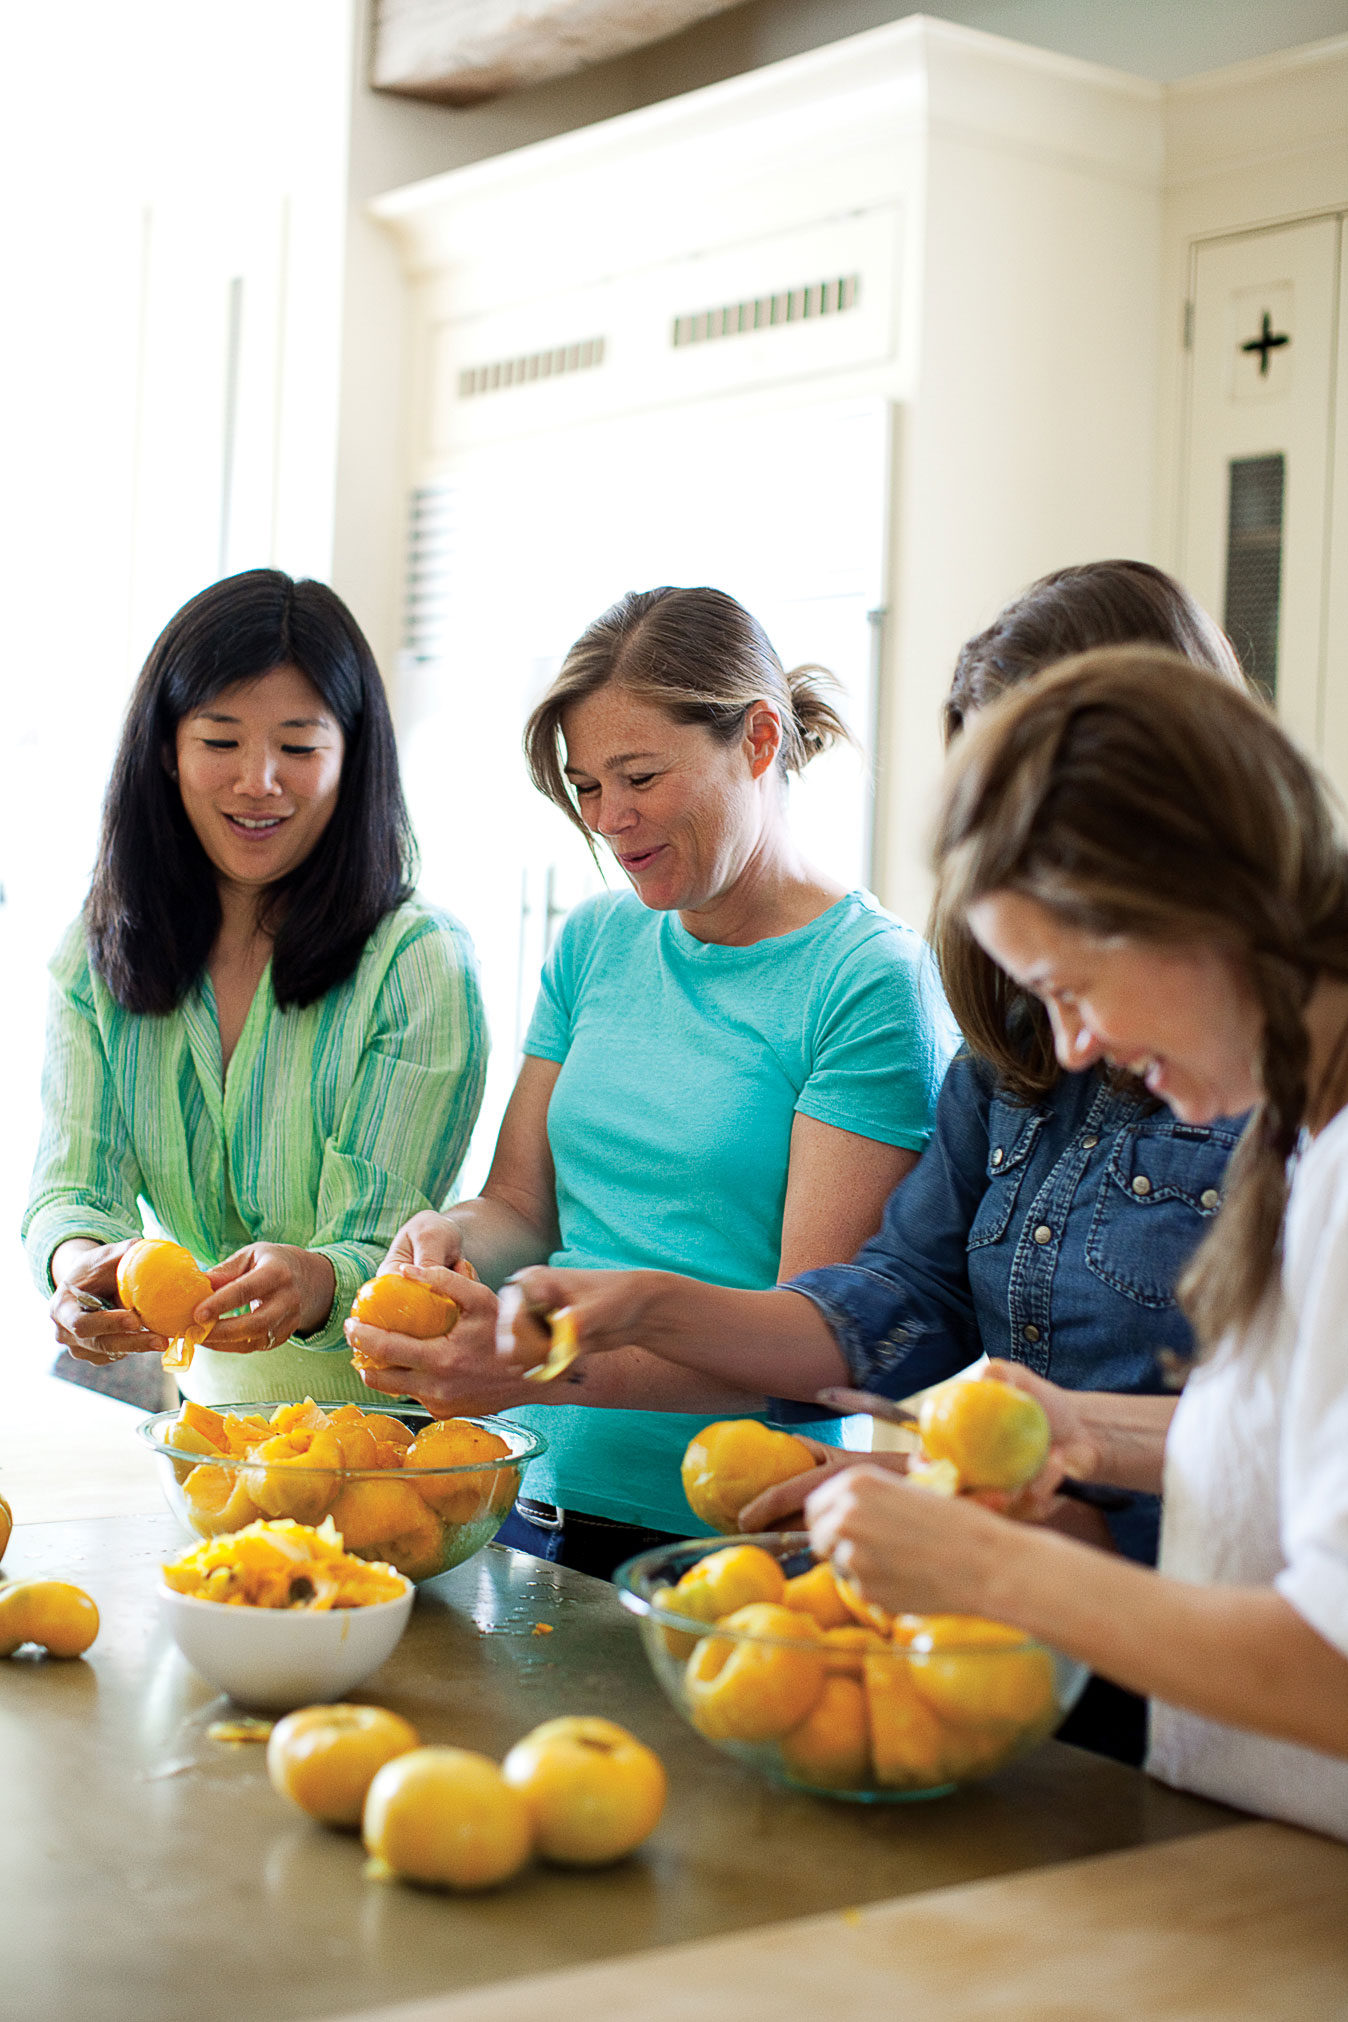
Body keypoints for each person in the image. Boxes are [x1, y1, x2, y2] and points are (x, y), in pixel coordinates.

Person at [487, 561, 1245, 1762]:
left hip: (1199, 1667)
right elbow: (897, 1303)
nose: (610, 817)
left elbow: (1279, 1463)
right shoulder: (1011, 1044)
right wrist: (640, 1306)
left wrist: (1028, 1515)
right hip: (1013, 1657)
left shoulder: (1271, 1076)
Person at [804, 646, 1348, 1838]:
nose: (1071, 1047)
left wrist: (984, 1567)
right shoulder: (1304, 1131)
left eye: (1068, 986)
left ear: (1189, 906)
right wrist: (1086, 1430)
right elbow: (1300, 1454)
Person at [347, 585, 956, 1575]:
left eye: (639, 777)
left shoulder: (867, 982)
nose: (610, 821)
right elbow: (521, 1209)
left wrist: (534, 1369)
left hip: (731, 1534)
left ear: (758, 740)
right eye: (588, 787)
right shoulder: (596, 939)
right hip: (530, 1496)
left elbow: (813, 1344)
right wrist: (447, 1239)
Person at [24, 568, 487, 1409]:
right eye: (220, 740)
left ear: (352, 758)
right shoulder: (96, 954)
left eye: (299, 747)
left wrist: (314, 1279)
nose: (259, 780)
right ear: (166, 749)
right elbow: (72, 1188)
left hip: (393, 1431)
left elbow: (384, 1244)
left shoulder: (418, 961)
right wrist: (81, 1269)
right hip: (209, 1426)